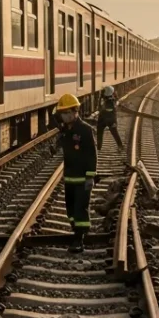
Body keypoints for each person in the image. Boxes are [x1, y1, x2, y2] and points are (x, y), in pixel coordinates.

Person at [52, 93, 97, 252]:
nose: (63, 116)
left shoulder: (85, 130)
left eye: (66, 113)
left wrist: (90, 176)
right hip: (69, 177)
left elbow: (92, 154)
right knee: (70, 208)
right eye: (62, 114)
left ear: (74, 112)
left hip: (82, 178)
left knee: (80, 208)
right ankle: (77, 230)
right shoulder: (65, 131)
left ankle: (79, 238)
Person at [96, 85, 123, 150]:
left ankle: (99, 146)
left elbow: (99, 108)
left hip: (102, 119)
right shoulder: (113, 101)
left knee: (99, 132)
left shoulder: (103, 100)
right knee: (115, 133)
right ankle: (120, 146)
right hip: (111, 119)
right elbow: (114, 109)